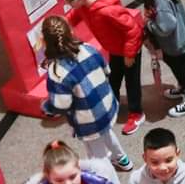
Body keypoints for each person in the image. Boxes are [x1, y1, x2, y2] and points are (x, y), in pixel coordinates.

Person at [58, 0, 147, 136]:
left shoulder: (107, 11)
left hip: (128, 51)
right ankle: (111, 106)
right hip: (114, 50)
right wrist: (62, 23)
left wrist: (129, 54)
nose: (67, 3)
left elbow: (133, 30)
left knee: (131, 82)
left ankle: (136, 113)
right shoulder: (84, 6)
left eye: (70, 0)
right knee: (113, 78)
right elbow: (75, 14)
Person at [39, 15, 133, 171]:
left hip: (87, 120)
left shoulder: (56, 72)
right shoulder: (88, 48)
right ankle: (122, 159)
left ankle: (106, 180)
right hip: (106, 106)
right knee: (108, 134)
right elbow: (107, 70)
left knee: (96, 154)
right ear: (70, 31)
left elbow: (61, 104)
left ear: (46, 41)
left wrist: (46, 107)